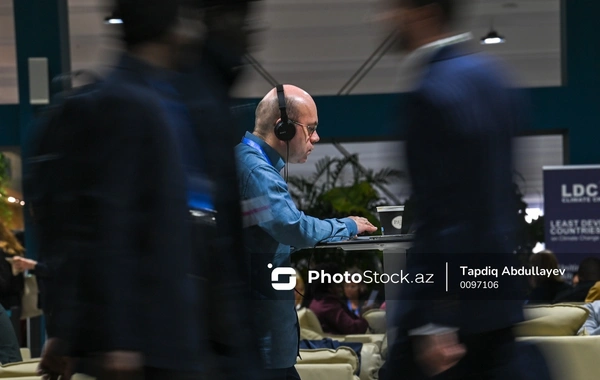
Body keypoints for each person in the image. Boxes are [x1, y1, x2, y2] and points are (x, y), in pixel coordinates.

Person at [26, 1, 245, 379]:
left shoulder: (174, 96)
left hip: (186, 326)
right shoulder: (124, 101)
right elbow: (109, 224)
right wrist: (116, 338)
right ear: (176, 27)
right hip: (151, 339)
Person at [382, 1, 551, 379]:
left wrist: (434, 319)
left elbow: (445, 215)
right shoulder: (496, 80)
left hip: (449, 310)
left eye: (393, 8)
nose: (384, 18)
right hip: (499, 299)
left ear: (422, 10)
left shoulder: (429, 91)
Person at [235, 84, 377, 379]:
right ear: (283, 128)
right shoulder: (255, 171)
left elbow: (273, 233)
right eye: (310, 128)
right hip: (260, 339)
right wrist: (347, 225)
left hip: (262, 338)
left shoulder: (251, 163)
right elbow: (292, 228)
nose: (316, 138)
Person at [308, 263, 370, 335]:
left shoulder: (317, 302)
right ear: (329, 286)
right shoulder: (328, 306)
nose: (341, 286)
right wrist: (364, 319)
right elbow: (353, 328)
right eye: (337, 281)